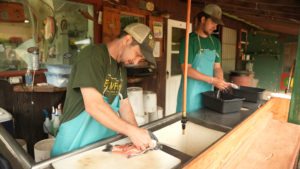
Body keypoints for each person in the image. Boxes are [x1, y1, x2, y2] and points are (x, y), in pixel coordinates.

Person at [51, 23, 157, 157]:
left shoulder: (121, 68)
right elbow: (94, 106)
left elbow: (124, 105)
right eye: (137, 54)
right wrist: (132, 132)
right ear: (127, 40)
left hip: (100, 146)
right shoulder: (92, 56)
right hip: (75, 145)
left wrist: (137, 134)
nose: (135, 62)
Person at [176, 4, 229, 114]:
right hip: (189, 91)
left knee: (204, 118)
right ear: (203, 19)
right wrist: (212, 80)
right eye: (213, 23)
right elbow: (186, 69)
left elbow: (217, 67)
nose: (215, 27)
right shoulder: (189, 40)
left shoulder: (216, 43)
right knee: (187, 121)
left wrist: (220, 80)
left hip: (208, 91)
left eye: (216, 24)